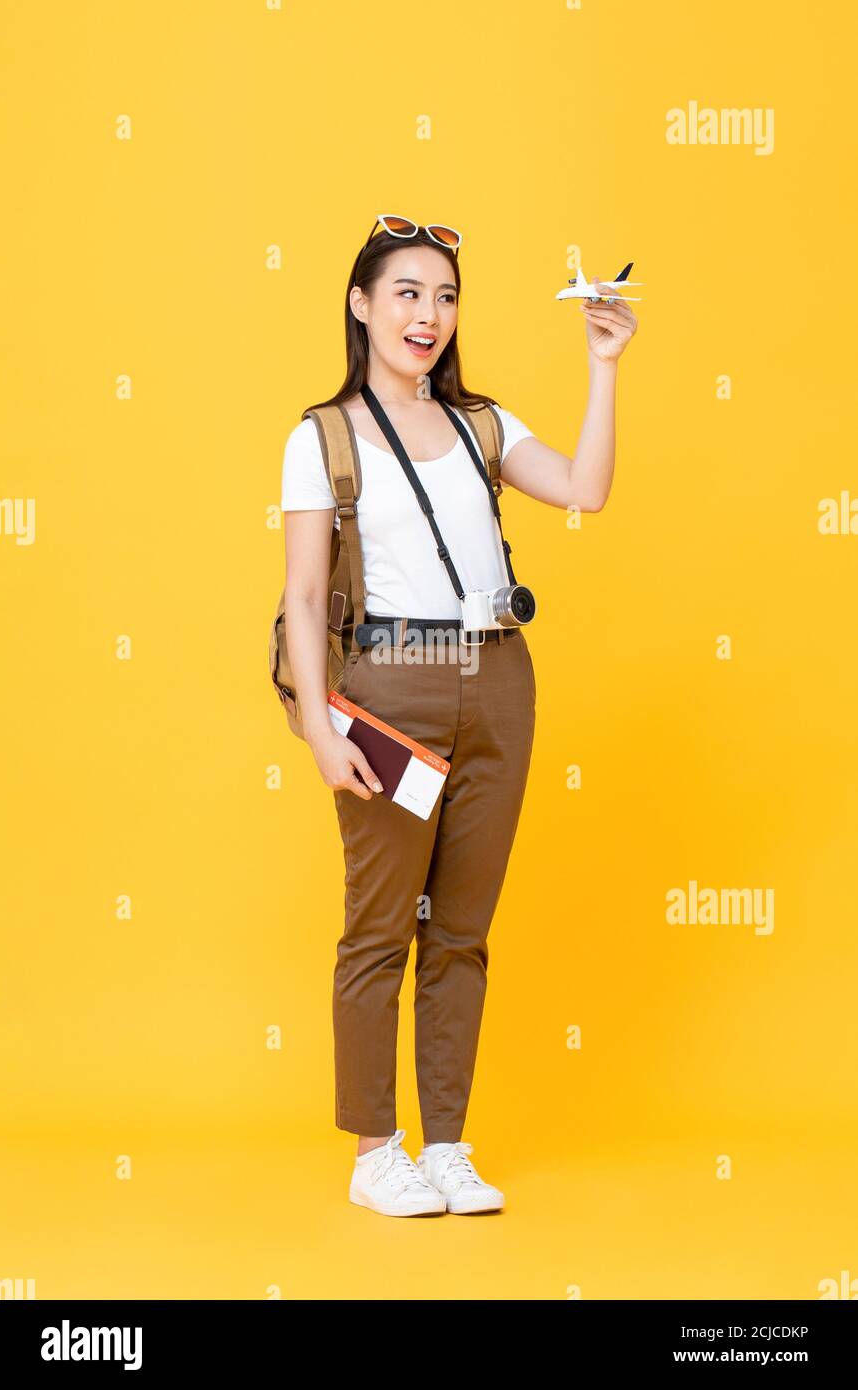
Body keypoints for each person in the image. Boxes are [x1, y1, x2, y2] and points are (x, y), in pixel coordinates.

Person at [279, 214, 638, 1216]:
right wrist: (319, 720)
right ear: (361, 303)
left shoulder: (483, 423)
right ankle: (373, 1150)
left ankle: (446, 1144)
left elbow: (586, 490)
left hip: (500, 675)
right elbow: (306, 597)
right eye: (406, 292)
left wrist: (602, 365)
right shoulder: (323, 438)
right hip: (392, 682)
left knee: (463, 928)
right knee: (381, 925)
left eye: (443, 296)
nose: (427, 314)